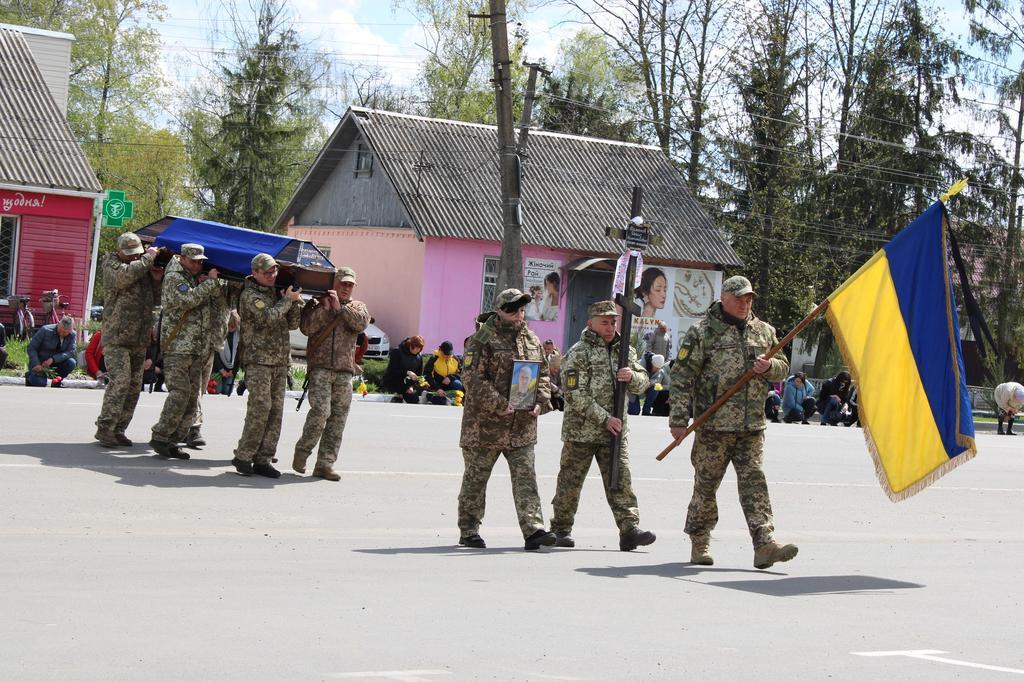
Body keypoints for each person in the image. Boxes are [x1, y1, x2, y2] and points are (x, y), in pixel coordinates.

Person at [669, 275, 797, 570]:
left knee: (754, 483)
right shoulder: (702, 333)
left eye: (749, 299)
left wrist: (769, 367)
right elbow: (681, 377)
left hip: (752, 426)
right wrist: (678, 419)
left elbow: (783, 368)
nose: (744, 304)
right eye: (739, 298)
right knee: (706, 485)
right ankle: (700, 540)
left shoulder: (764, 331)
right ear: (724, 298)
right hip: (713, 426)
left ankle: (764, 543)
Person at [550, 300, 656, 552]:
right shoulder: (579, 352)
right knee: (570, 482)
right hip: (582, 431)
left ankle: (629, 528)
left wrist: (633, 377)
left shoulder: (625, 351)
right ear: (591, 323)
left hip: (615, 432)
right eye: (604, 322)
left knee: (621, 479)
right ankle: (561, 528)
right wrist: (604, 418)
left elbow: (643, 382)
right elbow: (574, 395)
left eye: (613, 321)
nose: (610, 327)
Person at [457, 288, 556, 551]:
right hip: (484, 426)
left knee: (526, 477)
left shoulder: (532, 339)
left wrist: (541, 401)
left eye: (522, 309)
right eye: (512, 309)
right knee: (476, 479)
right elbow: (471, 378)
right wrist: (499, 404)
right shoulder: (481, 339)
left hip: (521, 427)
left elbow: (543, 376)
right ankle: (469, 530)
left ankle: (533, 530)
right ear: (499, 310)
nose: (518, 314)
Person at [292, 266, 369, 481]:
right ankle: (302, 451)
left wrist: (340, 309)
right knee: (321, 413)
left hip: (344, 371)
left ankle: (325, 464)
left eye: (350, 285)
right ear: (334, 283)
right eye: (342, 283)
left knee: (338, 419)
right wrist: (325, 308)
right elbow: (306, 328)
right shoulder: (317, 303)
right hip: (321, 368)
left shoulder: (358, 307)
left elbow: (360, 324)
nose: (346, 288)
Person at [231, 253, 303, 478]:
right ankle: (244, 455)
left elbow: (292, 324)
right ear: (255, 273)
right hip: (258, 360)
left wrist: (294, 302)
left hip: (280, 361)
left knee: (276, 412)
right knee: (261, 407)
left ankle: (263, 459)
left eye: (274, 271)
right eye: (267, 272)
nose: (272, 276)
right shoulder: (249, 295)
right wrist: (287, 301)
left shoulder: (277, 293)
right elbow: (268, 318)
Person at [149, 243, 224, 459]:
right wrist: (210, 283)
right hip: (178, 348)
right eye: (194, 261)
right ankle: (161, 435)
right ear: (181, 258)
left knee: (192, 397)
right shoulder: (175, 277)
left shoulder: (190, 277)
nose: (198, 264)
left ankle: (173, 440)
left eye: (201, 261)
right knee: (180, 393)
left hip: (195, 348)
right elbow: (187, 300)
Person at [93, 233, 162, 446]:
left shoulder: (142, 267)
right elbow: (124, 278)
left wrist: (157, 279)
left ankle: (119, 429)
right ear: (119, 251)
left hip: (139, 338)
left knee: (134, 386)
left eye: (136, 254)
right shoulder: (111, 263)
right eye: (129, 254)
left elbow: (157, 298)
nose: (133, 257)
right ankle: (105, 427)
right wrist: (148, 258)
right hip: (117, 336)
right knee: (120, 381)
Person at [26, 316, 77, 386]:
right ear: (58, 324)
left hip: (57, 363)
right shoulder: (45, 330)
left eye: (65, 333)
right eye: (60, 330)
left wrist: (53, 359)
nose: (62, 334)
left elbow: (71, 352)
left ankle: (57, 381)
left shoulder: (72, 335)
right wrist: (36, 363)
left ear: (70, 331)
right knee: (40, 383)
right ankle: (29, 376)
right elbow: (31, 347)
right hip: (40, 363)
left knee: (71, 362)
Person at [383, 335, 426, 403]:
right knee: (397, 400)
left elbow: (419, 375)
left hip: (408, 385)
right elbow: (392, 371)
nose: (418, 351)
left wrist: (412, 387)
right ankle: (397, 396)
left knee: (414, 399)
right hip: (394, 381)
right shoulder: (397, 352)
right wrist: (407, 372)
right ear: (411, 345)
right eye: (416, 348)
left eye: (420, 349)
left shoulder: (419, 356)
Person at [424, 340, 463, 405]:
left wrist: (450, 377)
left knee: (458, 384)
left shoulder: (456, 359)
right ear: (441, 351)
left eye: (449, 354)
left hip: (449, 385)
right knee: (441, 402)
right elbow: (426, 375)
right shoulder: (434, 359)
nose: (448, 356)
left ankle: (448, 397)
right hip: (436, 384)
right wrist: (438, 388)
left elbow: (461, 373)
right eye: (445, 354)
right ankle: (428, 395)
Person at [212, 310, 242, 395]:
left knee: (226, 391)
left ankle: (241, 384)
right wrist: (222, 371)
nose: (232, 328)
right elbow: (216, 353)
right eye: (229, 326)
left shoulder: (240, 335)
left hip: (231, 369)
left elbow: (239, 355)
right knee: (216, 391)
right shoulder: (220, 332)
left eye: (234, 326)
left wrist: (233, 371)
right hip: (218, 368)